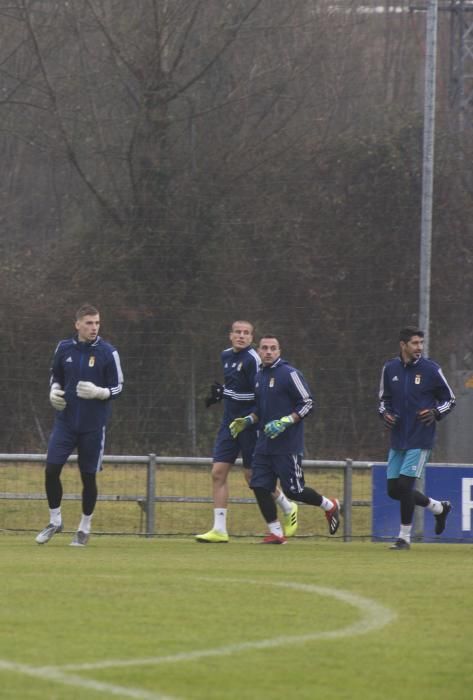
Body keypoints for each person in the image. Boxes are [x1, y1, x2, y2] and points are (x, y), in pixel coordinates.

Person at [229, 335, 340, 544]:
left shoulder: (290, 374)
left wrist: (287, 421)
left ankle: (329, 505)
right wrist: (248, 420)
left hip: (287, 445)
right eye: (264, 348)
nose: (268, 352)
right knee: (259, 485)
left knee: (294, 491)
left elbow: (307, 403)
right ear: (259, 351)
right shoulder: (259, 375)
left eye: (273, 348)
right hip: (264, 445)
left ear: (279, 351)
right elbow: (261, 410)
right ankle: (276, 532)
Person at [196, 321, 298, 543]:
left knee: (253, 476)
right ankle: (220, 529)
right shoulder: (226, 356)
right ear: (230, 335)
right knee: (218, 472)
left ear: (252, 338)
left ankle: (287, 505)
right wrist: (220, 396)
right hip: (229, 423)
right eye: (237, 332)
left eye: (246, 333)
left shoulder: (254, 359)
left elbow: (257, 396)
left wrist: (226, 394)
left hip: (250, 424)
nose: (241, 336)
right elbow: (234, 391)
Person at [36, 303, 124, 547]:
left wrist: (100, 392)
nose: (93, 327)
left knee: (88, 477)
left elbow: (118, 387)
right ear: (77, 325)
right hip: (65, 423)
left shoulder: (108, 352)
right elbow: (56, 375)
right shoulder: (63, 348)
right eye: (88, 323)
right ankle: (55, 521)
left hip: (93, 426)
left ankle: (84, 528)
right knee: (51, 470)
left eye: (97, 323)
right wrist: (53, 390)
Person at [378, 326, 456, 550]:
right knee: (394, 490)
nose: (419, 347)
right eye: (414, 343)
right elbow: (384, 400)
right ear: (403, 345)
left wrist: (436, 412)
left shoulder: (431, 369)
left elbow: (449, 399)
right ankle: (439, 508)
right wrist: (385, 414)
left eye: (421, 343)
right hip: (398, 439)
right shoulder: (390, 368)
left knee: (404, 485)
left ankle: (404, 538)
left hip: (420, 438)